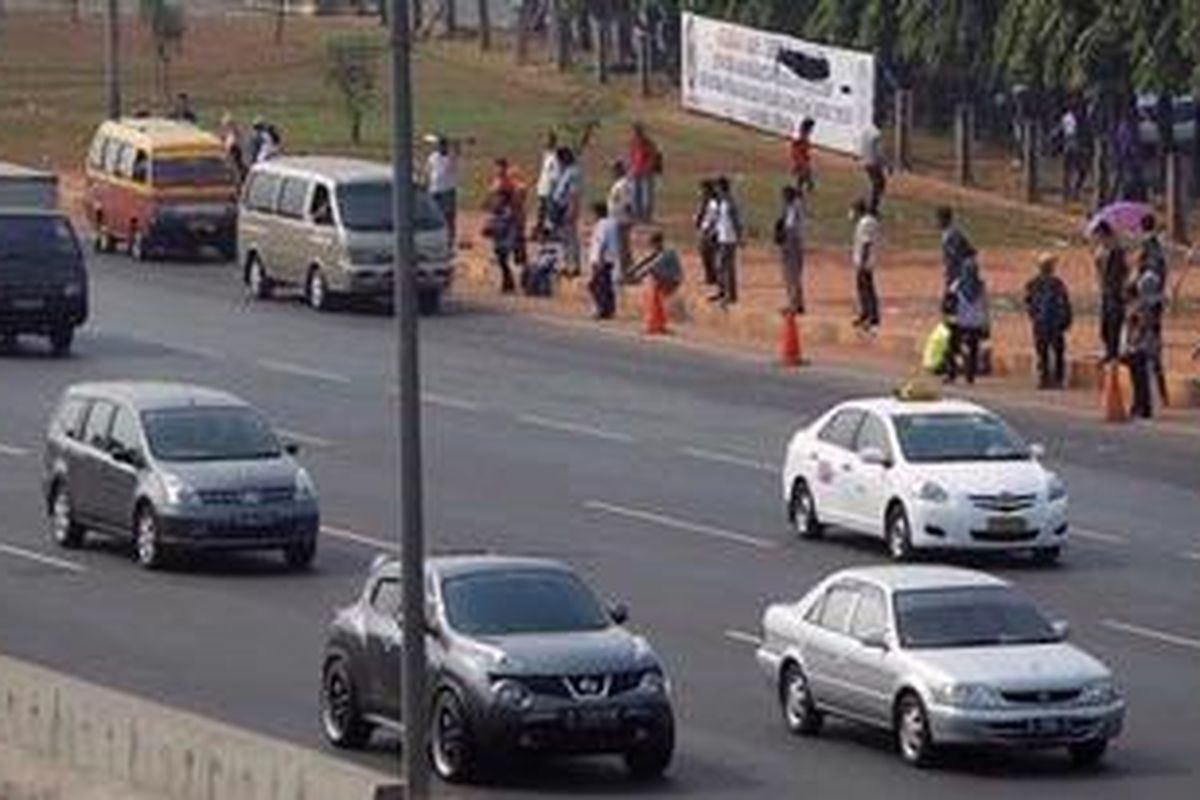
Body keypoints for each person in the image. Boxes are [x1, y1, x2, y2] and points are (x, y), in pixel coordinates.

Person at [1024, 253, 1073, 389]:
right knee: (1056, 352)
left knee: (1044, 352)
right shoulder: (1057, 283)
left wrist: (1034, 316)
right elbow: (1065, 303)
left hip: (1042, 323)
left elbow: (1028, 303)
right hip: (1053, 323)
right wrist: (1066, 320)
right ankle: (1056, 379)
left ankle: (1045, 379)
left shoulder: (1033, 283)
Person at [1138, 214, 1169, 403]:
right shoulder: (1156, 247)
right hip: (1153, 304)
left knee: (1146, 350)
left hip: (1148, 305)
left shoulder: (1151, 249)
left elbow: (1151, 276)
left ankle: (1152, 394)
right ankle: (1160, 392)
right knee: (1153, 350)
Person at [944, 260, 989, 385]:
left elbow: (949, 303)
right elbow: (984, 306)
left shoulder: (957, 285)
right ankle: (970, 375)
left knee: (951, 348)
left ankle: (951, 373)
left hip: (960, 321)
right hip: (975, 322)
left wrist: (948, 318)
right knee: (973, 349)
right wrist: (985, 323)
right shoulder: (981, 286)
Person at [1093, 220, 1129, 362]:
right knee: (1105, 325)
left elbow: (1124, 271)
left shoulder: (1117, 250)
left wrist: (1122, 288)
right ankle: (1109, 351)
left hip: (1115, 292)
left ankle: (1113, 353)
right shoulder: (1101, 250)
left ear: (1105, 234)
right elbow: (1099, 271)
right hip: (1105, 291)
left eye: (1099, 234)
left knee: (1114, 323)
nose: (1097, 238)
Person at [551, 147, 583, 276]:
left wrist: (571, 209)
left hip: (567, 207)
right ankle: (565, 264)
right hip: (559, 207)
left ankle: (575, 265)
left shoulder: (574, 172)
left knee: (571, 237)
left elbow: (573, 193)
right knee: (563, 237)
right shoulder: (565, 171)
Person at [851, 198, 881, 330]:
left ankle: (872, 317)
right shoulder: (866, 221)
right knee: (862, 288)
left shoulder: (866, 223)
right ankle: (865, 314)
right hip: (864, 261)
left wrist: (863, 262)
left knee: (867, 289)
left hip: (865, 262)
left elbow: (866, 243)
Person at [587, 202, 621, 319]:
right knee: (606, 285)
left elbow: (601, 242)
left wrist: (598, 259)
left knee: (596, 285)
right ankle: (609, 309)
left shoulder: (602, 225)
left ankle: (601, 309)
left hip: (602, 258)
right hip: (610, 258)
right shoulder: (612, 223)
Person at [482, 187, 519, 294]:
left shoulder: (508, 211)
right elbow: (490, 224)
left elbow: (502, 226)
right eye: (496, 197)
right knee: (502, 263)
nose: (496, 199)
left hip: (506, 241)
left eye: (499, 197)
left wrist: (491, 228)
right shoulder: (497, 210)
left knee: (504, 262)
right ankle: (507, 283)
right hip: (499, 241)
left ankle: (508, 283)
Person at [711, 177, 741, 306]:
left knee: (726, 267)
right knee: (720, 266)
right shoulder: (722, 201)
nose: (716, 190)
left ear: (721, 187)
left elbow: (735, 220)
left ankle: (730, 295)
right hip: (722, 237)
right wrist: (715, 232)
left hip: (729, 239)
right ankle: (723, 292)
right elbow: (720, 220)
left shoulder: (729, 202)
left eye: (717, 187)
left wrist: (738, 236)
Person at [425, 136, 460, 246]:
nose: (440, 148)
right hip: (434, 189)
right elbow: (428, 170)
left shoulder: (451, 156)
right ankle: (435, 238)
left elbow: (457, 152)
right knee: (434, 215)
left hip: (448, 190)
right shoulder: (432, 157)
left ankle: (450, 240)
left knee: (449, 216)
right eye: (439, 146)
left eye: (442, 146)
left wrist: (456, 145)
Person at [775, 185, 805, 314]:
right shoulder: (789, 207)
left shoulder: (795, 207)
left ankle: (795, 304)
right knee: (788, 276)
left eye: (785, 196)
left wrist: (783, 237)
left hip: (792, 243)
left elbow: (791, 227)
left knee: (792, 275)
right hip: (790, 242)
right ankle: (795, 303)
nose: (783, 199)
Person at [631, 230, 683, 298]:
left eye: (653, 245)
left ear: (657, 243)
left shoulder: (666, 254)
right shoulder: (660, 252)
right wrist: (633, 270)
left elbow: (651, 267)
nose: (652, 247)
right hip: (670, 278)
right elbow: (645, 261)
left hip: (671, 279)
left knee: (651, 271)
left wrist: (638, 275)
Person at [607, 160, 635, 280]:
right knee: (622, 248)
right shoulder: (619, 183)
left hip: (622, 220)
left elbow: (627, 204)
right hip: (617, 219)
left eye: (614, 169)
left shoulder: (623, 184)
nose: (612, 172)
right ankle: (628, 273)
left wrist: (630, 219)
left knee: (622, 249)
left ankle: (626, 274)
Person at [628, 122, 661, 221]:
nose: (636, 133)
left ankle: (646, 216)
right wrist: (631, 168)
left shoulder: (648, 143)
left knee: (646, 196)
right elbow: (632, 156)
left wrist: (648, 168)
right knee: (635, 194)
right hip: (636, 171)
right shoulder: (633, 142)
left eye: (637, 131)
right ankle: (637, 215)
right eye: (635, 131)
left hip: (646, 172)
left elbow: (653, 156)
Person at [937, 206, 974, 289]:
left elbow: (958, 255)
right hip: (958, 272)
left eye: (940, 219)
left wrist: (956, 276)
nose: (939, 222)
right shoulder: (947, 233)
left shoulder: (952, 234)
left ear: (946, 219)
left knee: (958, 297)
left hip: (962, 272)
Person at [534, 130, 561, 236]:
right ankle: (539, 230)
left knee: (550, 212)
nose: (545, 143)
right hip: (542, 187)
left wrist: (554, 189)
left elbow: (555, 175)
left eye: (548, 141)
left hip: (550, 189)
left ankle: (551, 232)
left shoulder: (555, 157)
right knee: (541, 210)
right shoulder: (546, 155)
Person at [694, 180, 719, 286]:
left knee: (709, 254)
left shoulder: (712, 202)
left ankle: (713, 277)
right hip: (704, 230)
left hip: (709, 231)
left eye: (701, 190)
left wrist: (698, 221)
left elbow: (709, 216)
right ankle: (710, 277)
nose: (699, 192)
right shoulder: (704, 201)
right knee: (705, 254)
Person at [860, 118, 886, 212]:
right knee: (878, 184)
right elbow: (879, 152)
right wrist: (885, 163)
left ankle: (865, 205)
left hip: (865, 161)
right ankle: (872, 207)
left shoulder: (866, 130)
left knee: (873, 184)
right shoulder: (877, 134)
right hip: (873, 163)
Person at [789, 117, 815, 193]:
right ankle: (800, 187)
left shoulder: (804, 133)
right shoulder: (801, 133)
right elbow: (795, 143)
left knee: (806, 169)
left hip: (802, 152)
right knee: (804, 169)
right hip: (799, 153)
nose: (812, 129)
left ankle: (808, 183)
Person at [219, 112, 246, 183]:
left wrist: (224, 156)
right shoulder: (230, 134)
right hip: (235, 159)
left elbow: (228, 149)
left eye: (224, 125)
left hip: (233, 160)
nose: (223, 127)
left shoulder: (231, 136)